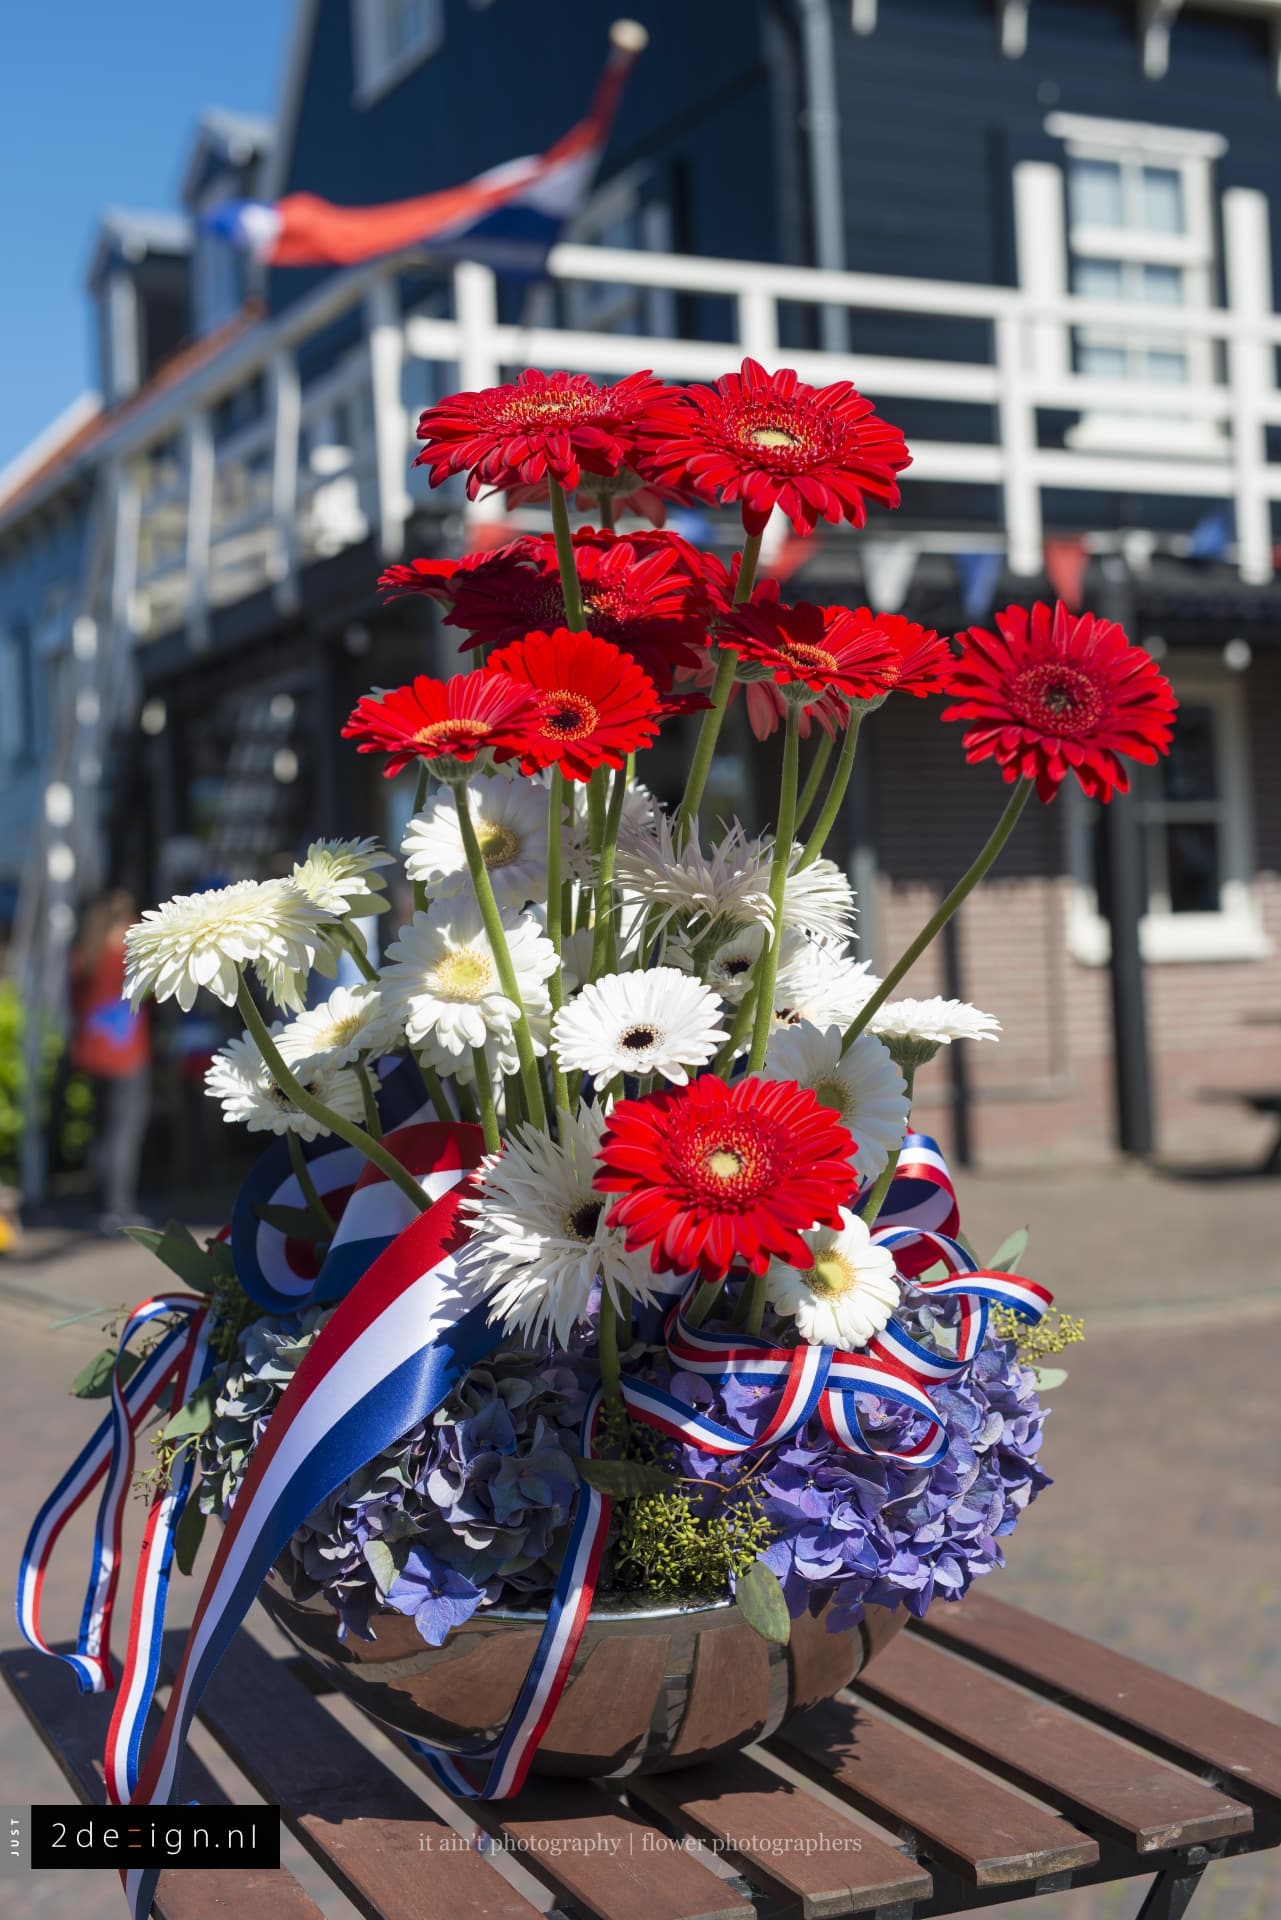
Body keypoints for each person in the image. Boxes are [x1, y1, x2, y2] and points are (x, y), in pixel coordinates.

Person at [69, 889, 151, 1231]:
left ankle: (100, 1205)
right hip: (126, 1055)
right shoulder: (128, 956)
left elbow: (74, 1002)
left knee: (101, 1131)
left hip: (92, 1052)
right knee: (124, 1133)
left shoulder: (85, 953)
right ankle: (119, 1209)